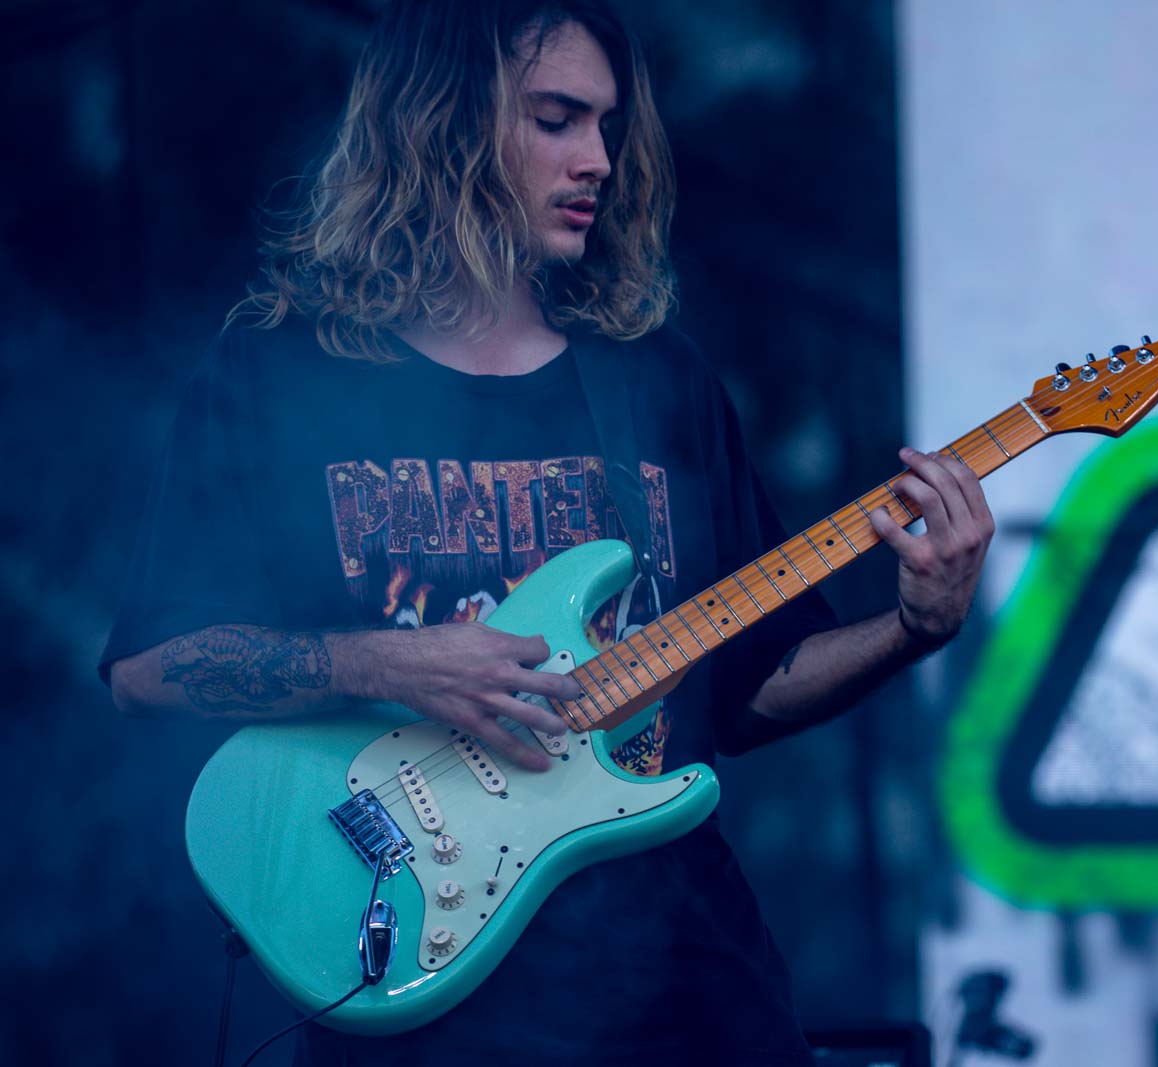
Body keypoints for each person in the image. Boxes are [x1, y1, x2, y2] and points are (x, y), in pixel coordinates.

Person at [101, 1, 993, 1063]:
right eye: (557, 119)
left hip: (682, 999)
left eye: (608, 126)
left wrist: (915, 625)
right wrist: (383, 661)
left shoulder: (653, 378)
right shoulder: (278, 374)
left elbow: (750, 683)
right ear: (441, 121)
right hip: (419, 983)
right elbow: (149, 668)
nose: (600, 160)